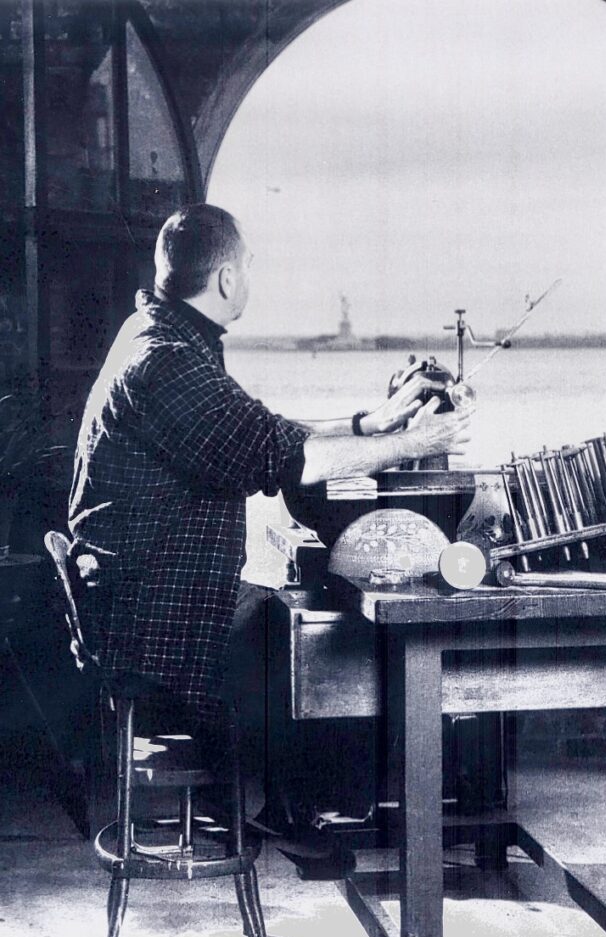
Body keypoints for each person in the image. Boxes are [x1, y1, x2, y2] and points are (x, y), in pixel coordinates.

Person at [68, 203, 472, 744]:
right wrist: (421, 441)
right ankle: (321, 808)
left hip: (137, 595)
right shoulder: (167, 359)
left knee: (296, 617)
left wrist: (370, 423)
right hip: (153, 616)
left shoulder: (155, 331)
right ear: (227, 278)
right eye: (249, 267)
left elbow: (257, 430)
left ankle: (302, 804)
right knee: (314, 638)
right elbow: (289, 460)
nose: (250, 279)